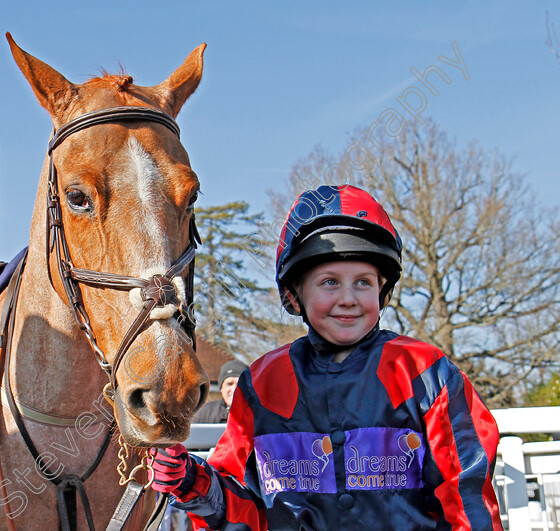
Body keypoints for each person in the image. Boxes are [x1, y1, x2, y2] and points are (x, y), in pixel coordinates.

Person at [151, 185, 502, 530]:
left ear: (383, 290)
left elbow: (468, 499)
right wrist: (193, 483)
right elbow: (245, 509)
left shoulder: (426, 372)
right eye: (330, 282)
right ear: (294, 293)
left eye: (363, 282)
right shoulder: (261, 383)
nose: (348, 298)